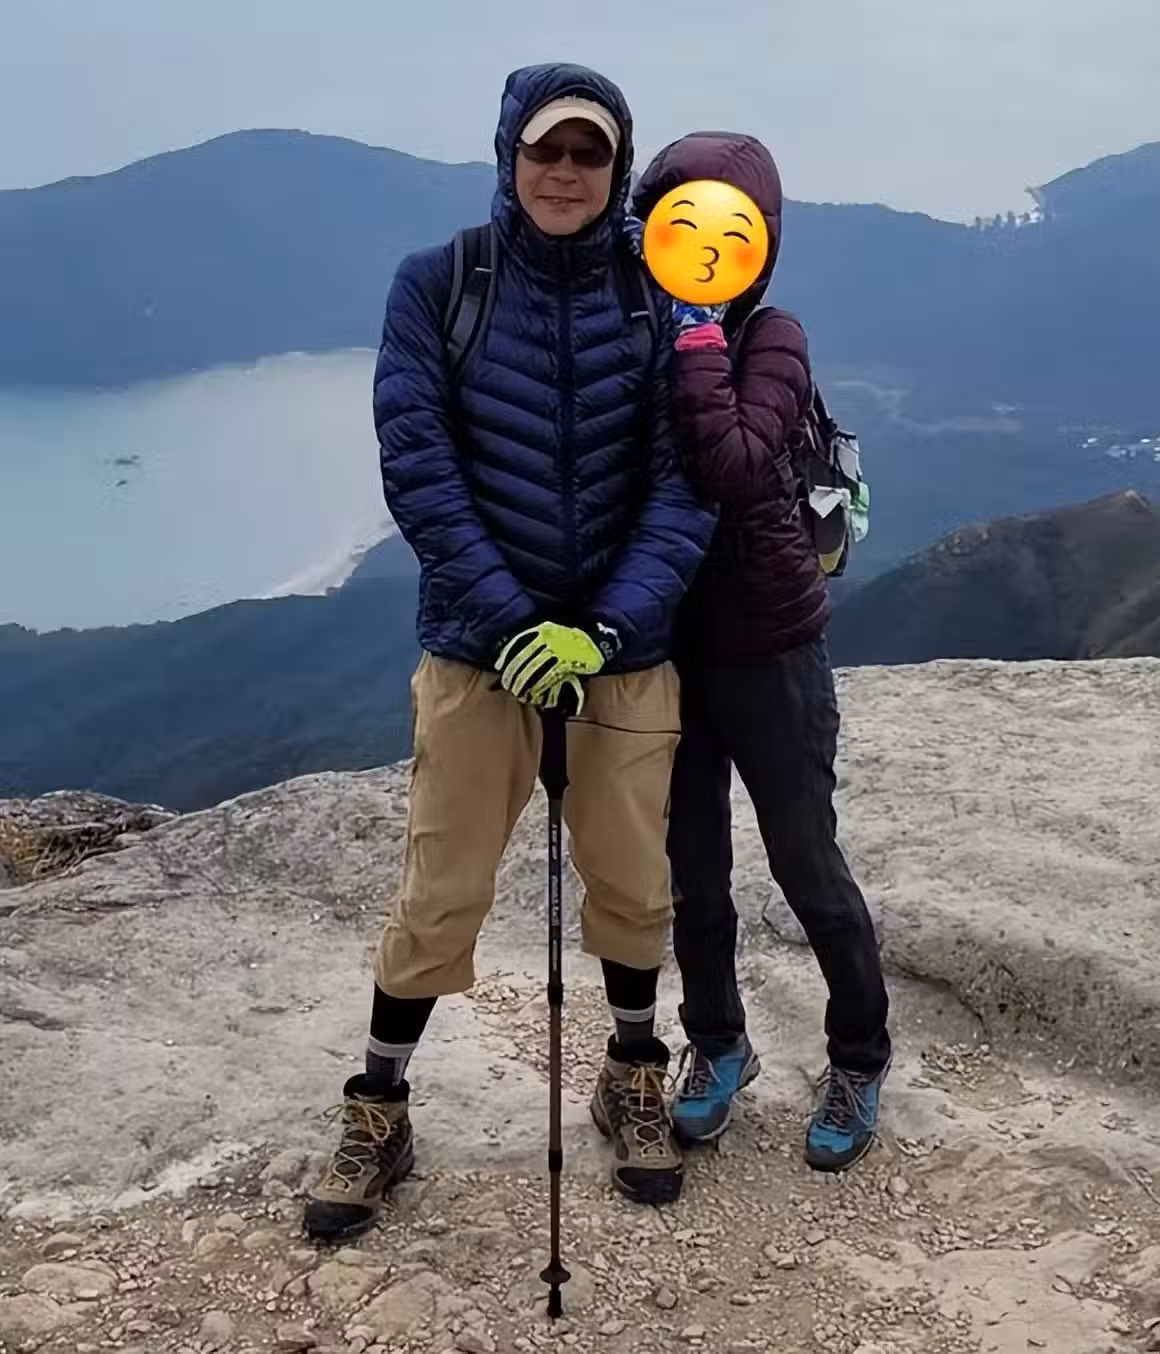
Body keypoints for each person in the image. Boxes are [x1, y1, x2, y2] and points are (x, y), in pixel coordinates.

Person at [302, 65, 717, 1244]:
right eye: (547, 150)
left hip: (620, 652)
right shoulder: (441, 282)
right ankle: (378, 1106)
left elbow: (685, 485)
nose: (566, 173)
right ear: (508, 153)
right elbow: (417, 464)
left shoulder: (659, 292)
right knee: (440, 889)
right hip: (477, 653)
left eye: (590, 153)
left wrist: (601, 628)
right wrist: (510, 624)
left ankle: (631, 1074)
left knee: (632, 883)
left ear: (617, 166)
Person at [630, 132, 893, 1172]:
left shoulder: (771, 336)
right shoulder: (637, 329)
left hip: (772, 649)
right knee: (693, 876)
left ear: (758, 244)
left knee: (805, 864)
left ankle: (859, 1055)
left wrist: (697, 337)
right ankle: (718, 1044)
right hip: (668, 655)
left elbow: (736, 464)